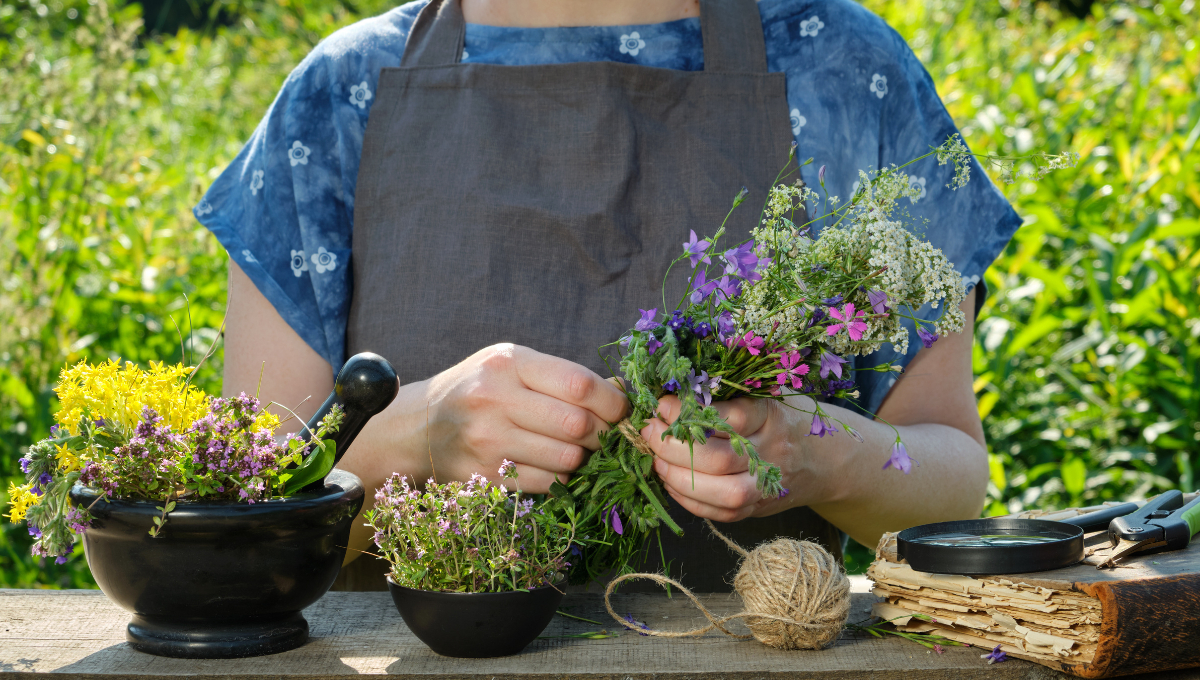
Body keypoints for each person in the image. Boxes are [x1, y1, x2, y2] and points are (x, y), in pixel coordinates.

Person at [197, 0, 1020, 591]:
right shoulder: (338, 98)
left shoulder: (844, 72)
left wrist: (825, 453)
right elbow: (236, 532)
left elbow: (952, 479)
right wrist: (414, 434)